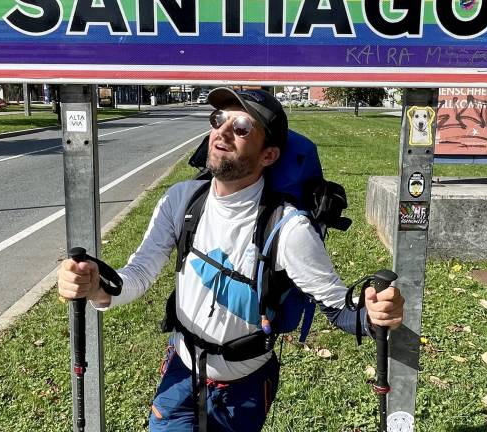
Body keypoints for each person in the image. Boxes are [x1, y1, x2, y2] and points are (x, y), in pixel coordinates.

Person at [57, 87, 405, 431]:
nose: (221, 132)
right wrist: (96, 287)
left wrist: (375, 314)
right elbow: (138, 274)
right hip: (180, 372)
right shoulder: (181, 200)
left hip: (245, 389)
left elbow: (340, 309)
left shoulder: (288, 228)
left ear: (268, 155)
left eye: (241, 127)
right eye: (218, 119)